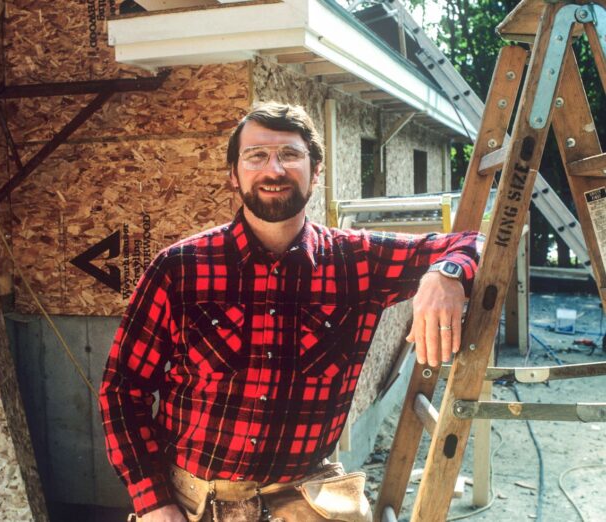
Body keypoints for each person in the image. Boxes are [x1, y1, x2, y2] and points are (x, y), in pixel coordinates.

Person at [99, 102, 483, 522]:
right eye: (256, 156)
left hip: (305, 501)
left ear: (315, 172)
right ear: (233, 174)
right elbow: (122, 389)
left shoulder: (357, 263)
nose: (274, 169)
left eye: (289, 154)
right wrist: (152, 501)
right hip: (192, 506)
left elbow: (475, 242)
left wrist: (446, 275)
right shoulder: (179, 269)